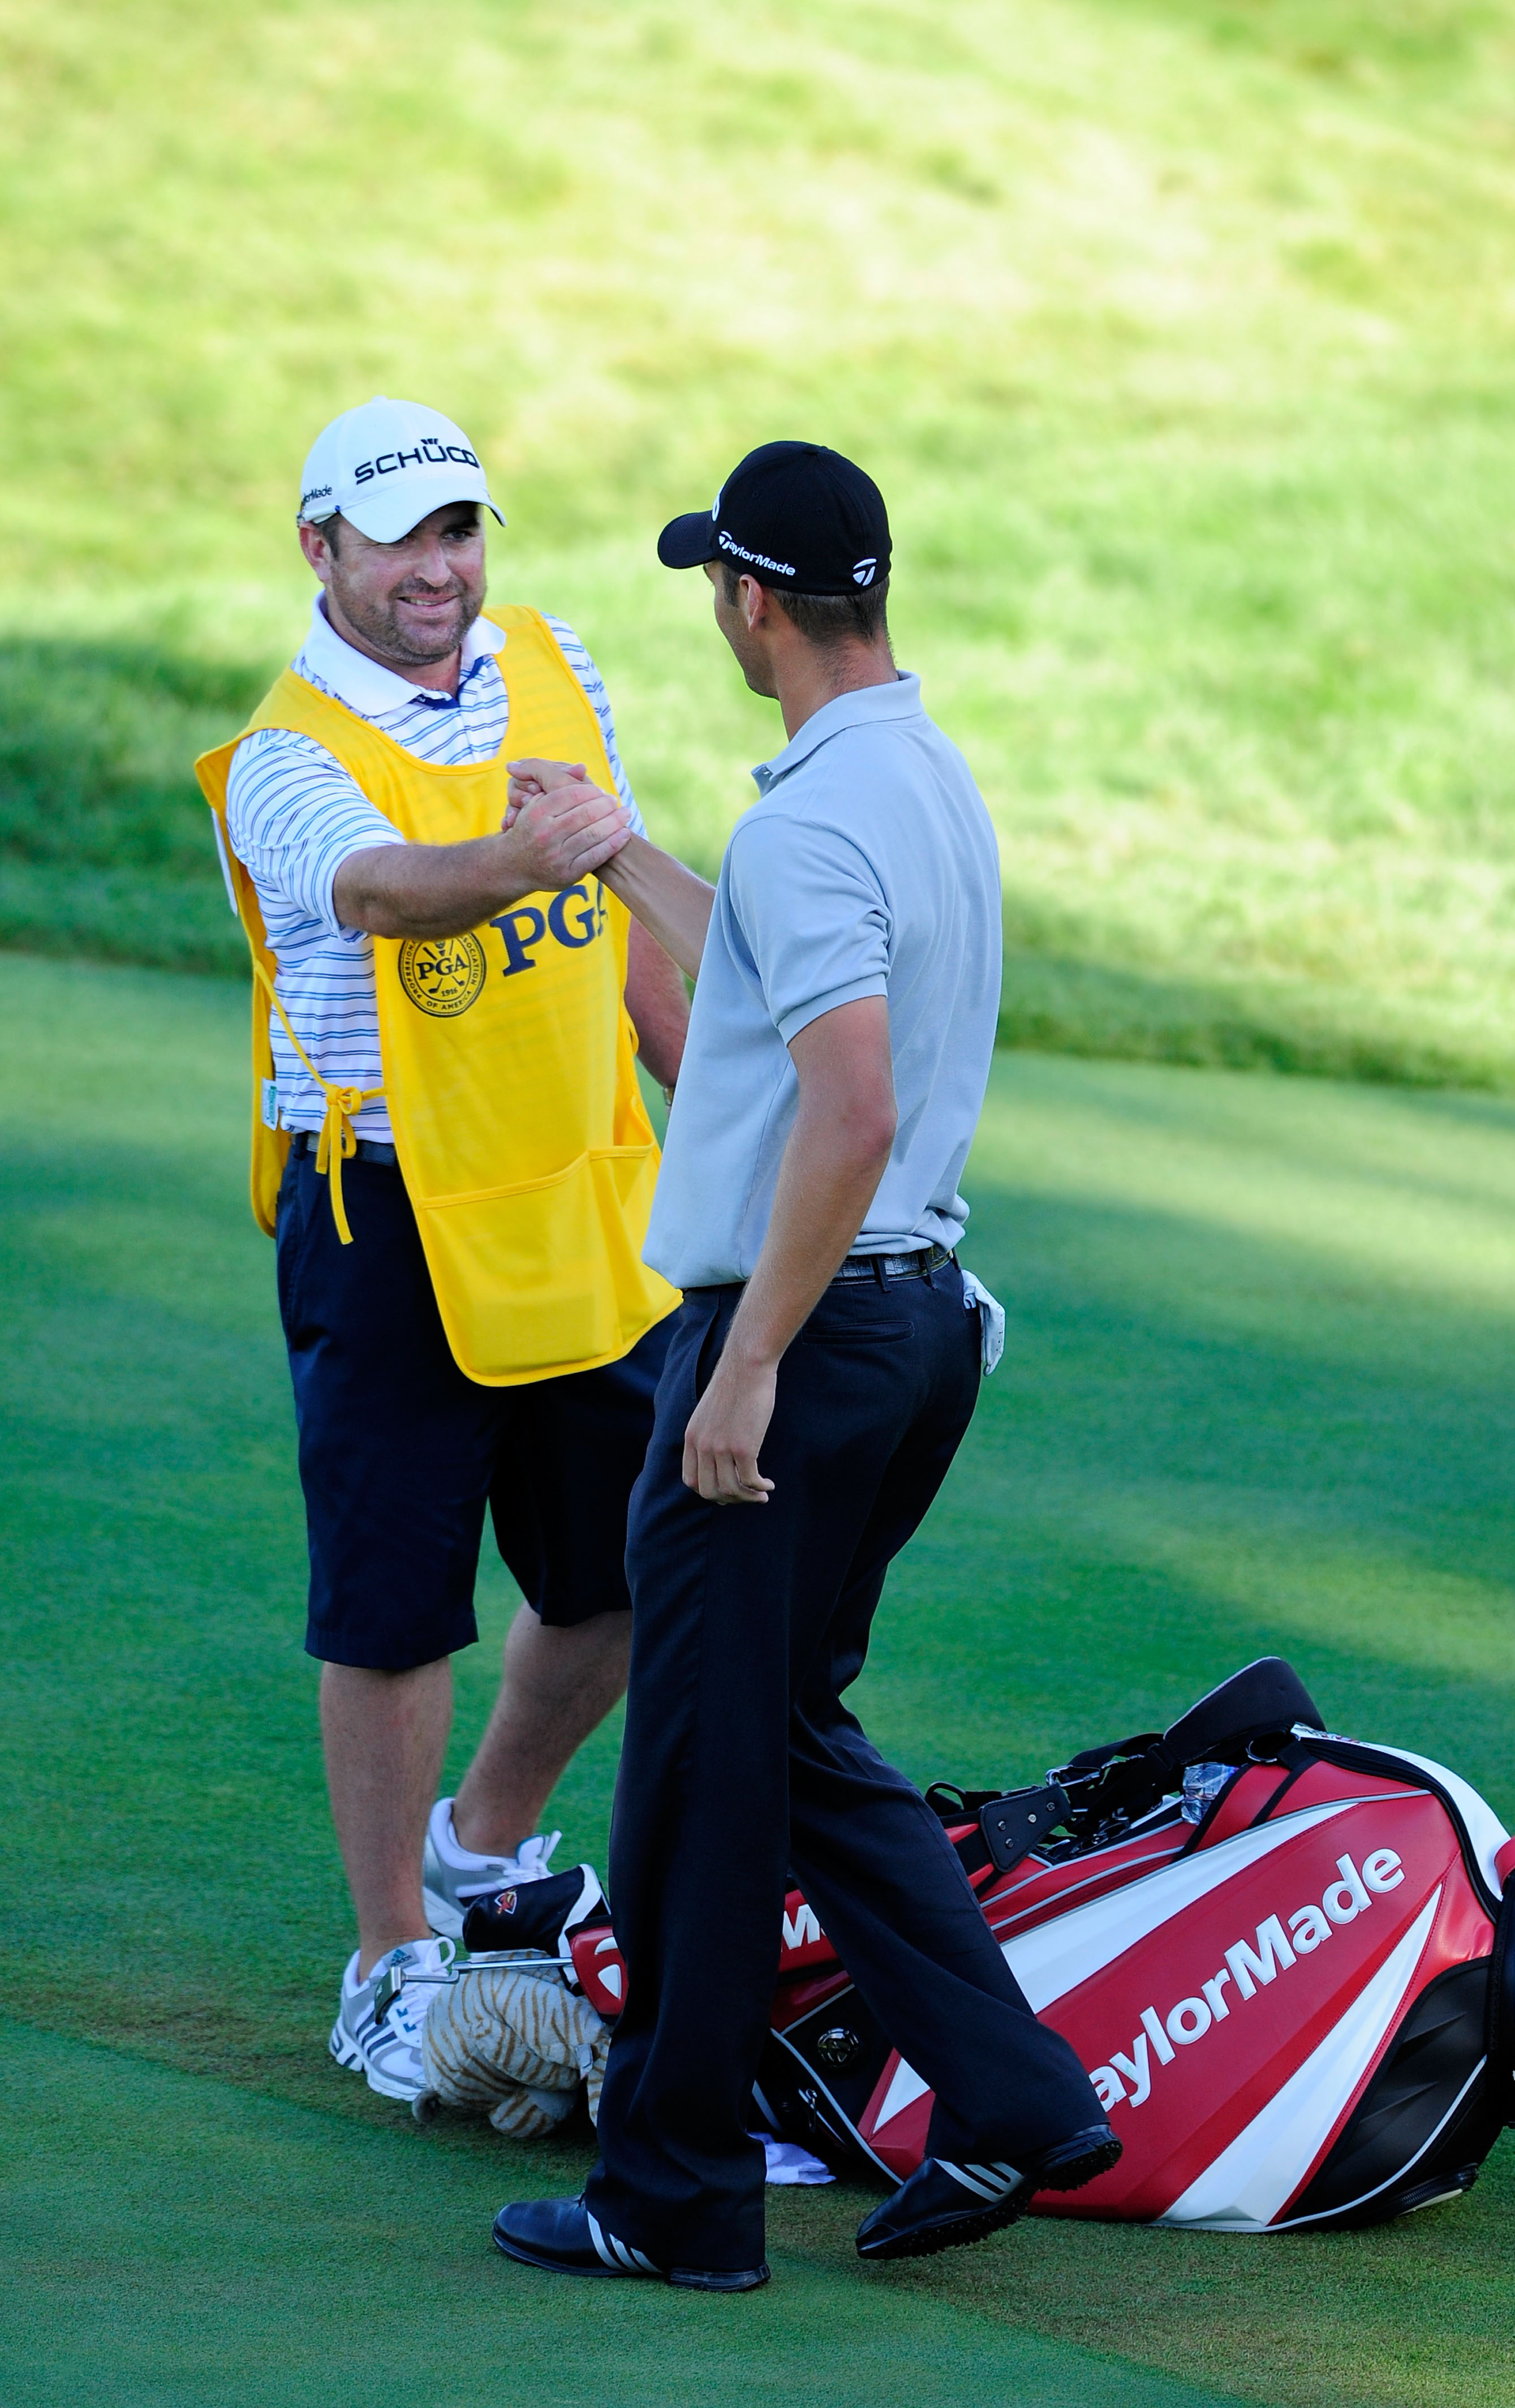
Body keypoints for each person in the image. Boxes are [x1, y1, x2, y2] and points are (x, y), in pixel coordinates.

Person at [491, 442, 1119, 2291]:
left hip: (808, 1330)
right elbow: (782, 981)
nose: (713, 610)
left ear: (754, 601)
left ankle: (671, 2194)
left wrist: (746, 1360)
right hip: (914, 1325)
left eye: (716, 586)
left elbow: (849, 1105)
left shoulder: (817, 820)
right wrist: (622, 855)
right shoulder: (917, 775)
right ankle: (1017, 2098)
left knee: (692, 1769)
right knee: (780, 1733)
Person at [194, 397, 686, 2105]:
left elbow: (622, 939)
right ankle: (391, 1958)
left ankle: (486, 1842)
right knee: (397, 1607)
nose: (441, 569)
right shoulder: (283, 754)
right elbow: (386, 893)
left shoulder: (557, 666)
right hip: (381, 1208)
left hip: (569, 1189)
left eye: (460, 530)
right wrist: (523, 852)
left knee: (626, 1566)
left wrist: (725, 1105)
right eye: (401, 537)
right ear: (320, 547)